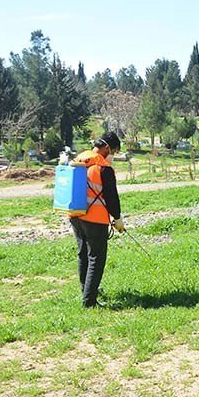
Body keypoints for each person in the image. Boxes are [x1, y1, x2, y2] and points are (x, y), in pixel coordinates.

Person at [70, 132, 125, 308]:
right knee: (96, 258)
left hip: (76, 215)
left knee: (83, 254)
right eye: (114, 151)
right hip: (95, 218)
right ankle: (89, 301)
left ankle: (86, 290)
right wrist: (117, 218)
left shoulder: (78, 160)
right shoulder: (103, 168)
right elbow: (111, 198)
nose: (113, 156)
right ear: (107, 147)